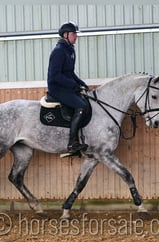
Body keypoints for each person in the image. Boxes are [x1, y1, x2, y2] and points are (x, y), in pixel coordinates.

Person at [47, 22, 90, 153]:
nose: (76, 36)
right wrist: (73, 85)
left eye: (76, 34)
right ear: (65, 35)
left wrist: (81, 83)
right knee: (81, 106)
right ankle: (72, 143)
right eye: (73, 34)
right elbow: (55, 76)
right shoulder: (59, 51)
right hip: (57, 87)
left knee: (86, 102)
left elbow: (70, 72)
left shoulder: (70, 50)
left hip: (66, 86)